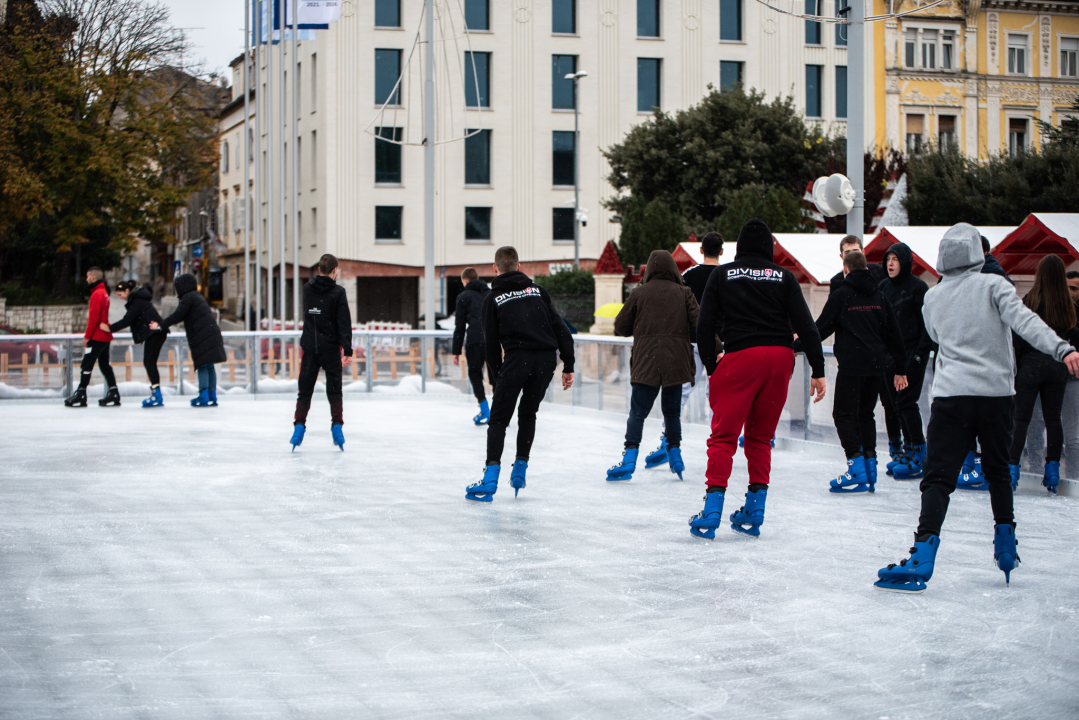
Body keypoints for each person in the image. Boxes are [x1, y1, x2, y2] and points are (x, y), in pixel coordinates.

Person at [875, 224, 1079, 593]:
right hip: (996, 396)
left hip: (952, 397)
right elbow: (1026, 323)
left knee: (938, 478)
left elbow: (935, 336)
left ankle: (923, 554)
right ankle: (1005, 544)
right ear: (976, 254)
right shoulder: (994, 286)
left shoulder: (933, 298)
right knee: (998, 471)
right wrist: (1062, 348)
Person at [689, 218, 826, 539]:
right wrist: (817, 370)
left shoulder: (723, 274)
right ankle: (754, 508)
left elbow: (704, 326)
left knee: (724, 437)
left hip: (741, 357)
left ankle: (711, 512)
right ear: (769, 248)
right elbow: (807, 326)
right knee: (761, 437)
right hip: (780, 358)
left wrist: (711, 366)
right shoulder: (784, 277)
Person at [465, 246, 575, 502]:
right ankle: (519, 471)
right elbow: (561, 329)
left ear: (495, 269)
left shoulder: (493, 299)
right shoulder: (538, 291)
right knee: (528, 413)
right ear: (519, 266)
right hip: (546, 361)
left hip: (517, 360)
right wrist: (568, 364)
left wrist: (496, 376)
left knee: (499, 419)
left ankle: (490, 478)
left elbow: (491, 344)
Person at [812, 251, 907, 493]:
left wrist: (797, 343)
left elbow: (821, 328)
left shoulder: (842, 295)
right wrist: (901, 368)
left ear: (846, 270)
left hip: (852, 365)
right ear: (866, 268)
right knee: (865, 414)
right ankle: (870, 465)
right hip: (877, 365)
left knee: (843, 414)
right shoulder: (880, 296)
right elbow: (894, 334)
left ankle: (855, 465)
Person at [607, 250, 699, 482]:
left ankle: (629, 460)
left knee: (638, 413)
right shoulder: (685, 292)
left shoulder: (640, 292)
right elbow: (699, 325)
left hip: (646, 361)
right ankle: (675, 455)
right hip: (676, 362)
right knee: (672, 412)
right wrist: (716, 348)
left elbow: (621, 326)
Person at [643, 231, 722, 469]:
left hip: (692, 342)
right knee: (717, 396)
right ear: (721, 251)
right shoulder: (727, 276)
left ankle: (668, 440)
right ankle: (717, 445)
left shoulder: (689, 275)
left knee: (681, 393)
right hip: (720, 344)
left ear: (700, 250)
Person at [1006, 255, 1079, 494]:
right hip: (1057, 366)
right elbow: (1071, 332)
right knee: (1053, 419)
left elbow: (1019, 333)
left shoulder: (1031, 299)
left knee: (1022, 419)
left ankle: (1013, 469)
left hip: (1030, 364)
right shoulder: (1067, 303)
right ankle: (1053, 471)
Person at [955, 234, 1016, 489]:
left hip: (976, 358)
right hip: (996, 361)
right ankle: (978, 465)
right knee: (990, 417)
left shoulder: (979, 280)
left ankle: (978, 465)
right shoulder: (1002, 280)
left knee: (972, 412)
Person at [877, 243, 933, 481]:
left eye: (895, 259)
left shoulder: (919, 288)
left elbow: (927, 327)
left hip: (912, 354)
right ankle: (906, 450)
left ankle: (918, 451)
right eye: (888, 259)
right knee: (893, 403)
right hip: (889, 356)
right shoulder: (883, 287)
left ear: (905, 261)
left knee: (906, 401)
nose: (890, 263)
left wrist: (919, 355)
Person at [289, 254, 354, 452]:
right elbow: (344, 323)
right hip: (331, 349)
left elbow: (311, 315)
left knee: (305, 391)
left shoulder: (307, 289)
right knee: (334, 390)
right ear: (335, 271)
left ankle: (298, 428)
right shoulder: (338, 292)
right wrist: (348, 350)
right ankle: (337, 428)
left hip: (310, 348)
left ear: (319, 269)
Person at [151, 273, 227, 407]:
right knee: (209, 365)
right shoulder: (197, 297)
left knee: (203, 364)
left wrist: (161, 325)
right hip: (212, 333)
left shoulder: (188, 297)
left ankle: (203, 396)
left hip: (202, 336)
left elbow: (178, 315)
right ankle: (212, 396)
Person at [106, 280, 168, 407]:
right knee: (150, 363)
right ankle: (156, 394)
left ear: (127, 291)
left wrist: (109, 328)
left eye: (120, 294)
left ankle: (157, 395)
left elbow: (127, 320)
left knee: (149, 362)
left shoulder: (136, 301)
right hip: (156, 333)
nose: (120, 297)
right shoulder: (137, 299)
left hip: (155, 333)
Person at [64, 267, 119, 408]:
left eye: (88, 277)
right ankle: (113, 392)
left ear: (93, 278)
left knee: (87, 364)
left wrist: (87, 337)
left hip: (97, 337)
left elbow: (93, 319)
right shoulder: (104, 293)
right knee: (104, 365)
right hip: (105, 337)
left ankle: (81, 394)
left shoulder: (96, 294)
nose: (86, 279)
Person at [452, 267, 491, 426]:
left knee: (475, 374)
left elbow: (459, 326)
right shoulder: (490, 294)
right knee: (496, 376)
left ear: (466, 281)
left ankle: (484, 408)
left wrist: (456, 350)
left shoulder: (463, 296)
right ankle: (500, 411)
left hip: (475, 340)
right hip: (492, 340)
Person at [1063, 270, 1079, 478]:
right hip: (1052, 377)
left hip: (1073, 379)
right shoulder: (1056, 311)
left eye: (1074, 288)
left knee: (1072, 433)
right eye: (1066, 287)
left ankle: (1074, 477)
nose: (1069, 293)